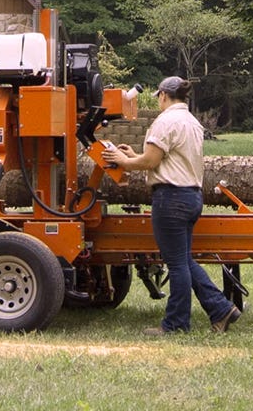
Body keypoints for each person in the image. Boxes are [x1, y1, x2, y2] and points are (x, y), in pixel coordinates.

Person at [102, 76, 242, 335]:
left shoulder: (165, 121)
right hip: (190, 197)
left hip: (171, 199)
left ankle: (177, 323)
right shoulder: (191, 122)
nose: (158, 101)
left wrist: (122, 159)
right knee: (184, 260)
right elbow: (167, 159)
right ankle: (221, 309)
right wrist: (134, 156)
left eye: (158, 97)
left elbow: (151, 162)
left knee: (176, 264)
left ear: (164, 95)